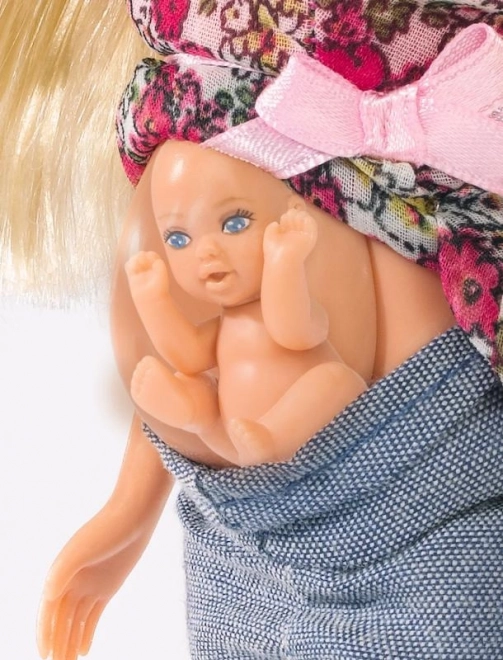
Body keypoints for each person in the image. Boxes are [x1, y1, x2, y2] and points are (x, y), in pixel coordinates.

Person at [2, 1, 501, 658]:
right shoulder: (192, 48)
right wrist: (130, 506)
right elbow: (191, 349)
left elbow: (301, 328)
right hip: (227, 539)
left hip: (421, 527)